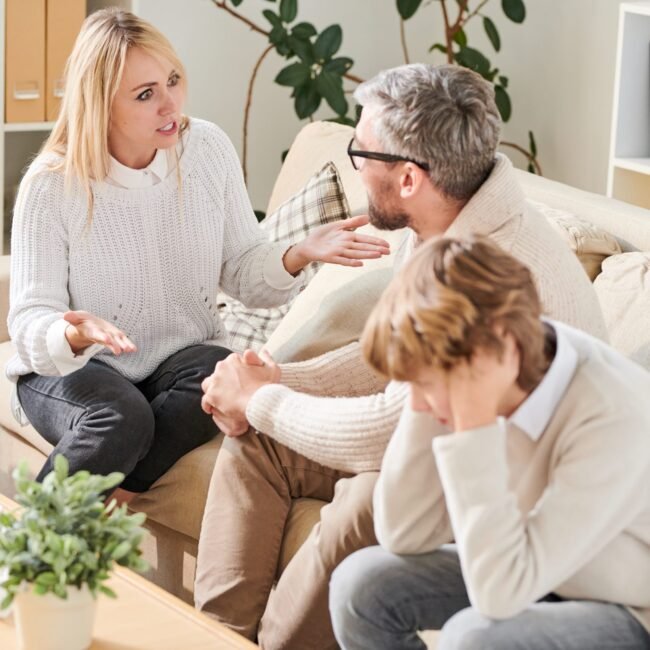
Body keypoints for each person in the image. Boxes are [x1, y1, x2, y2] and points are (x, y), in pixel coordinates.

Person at [195, 63, 608, 649]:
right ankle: (212, 638)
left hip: (512, 490)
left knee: (366, 501)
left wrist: (260, 397)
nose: (355, 165)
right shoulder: (439, 222)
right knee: (259, 440)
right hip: (448, 438)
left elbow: (391, 428)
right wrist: (276, 378)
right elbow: (391, 362)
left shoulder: (487, 270)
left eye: (361, 151)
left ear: (410, 178)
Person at [6, 8, 389, 505]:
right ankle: (26, 561)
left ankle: (118, 483)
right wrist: (74, 333)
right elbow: (30, 317)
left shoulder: (206, 149)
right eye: (146, 95)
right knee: (120, 417)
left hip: (179, 359)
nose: (171, 105)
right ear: (101, 105)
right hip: (74, 368)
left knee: (222, 373)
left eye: (172, 80)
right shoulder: (53, 183)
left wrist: (297, 254)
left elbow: (242, 271)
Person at [329, 236, 650, 650]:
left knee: (474, 640)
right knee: (362, 587)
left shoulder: (612, 414)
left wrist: (474, 425)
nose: (418, 402)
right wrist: (429, 387)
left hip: (633, 608)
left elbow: (499, 595)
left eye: (426, 384)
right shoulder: (503, 366)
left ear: (498, 351)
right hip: (540, 571)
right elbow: (402, 532)